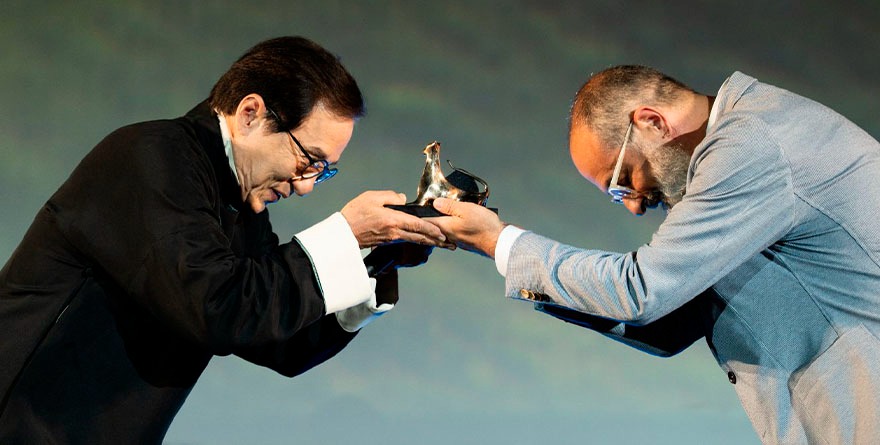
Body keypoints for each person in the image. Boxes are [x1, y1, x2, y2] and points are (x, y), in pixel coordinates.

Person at [0, 36, 448, 443]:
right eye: (308, 159)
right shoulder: (151, 158)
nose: (307, 184)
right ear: (251, 113)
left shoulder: (238, 203)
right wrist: (346, 233)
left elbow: (278, 338)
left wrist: (378, 257)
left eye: (323, 170)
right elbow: (218, 309)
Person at [431, 65, 880, 443]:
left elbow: (642, 290)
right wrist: (502, 255)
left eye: (623, 178)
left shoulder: (752, 145)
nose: (633, 205)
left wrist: (500, 242)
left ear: (651, 121)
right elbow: (669, 321)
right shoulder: (740, 152)